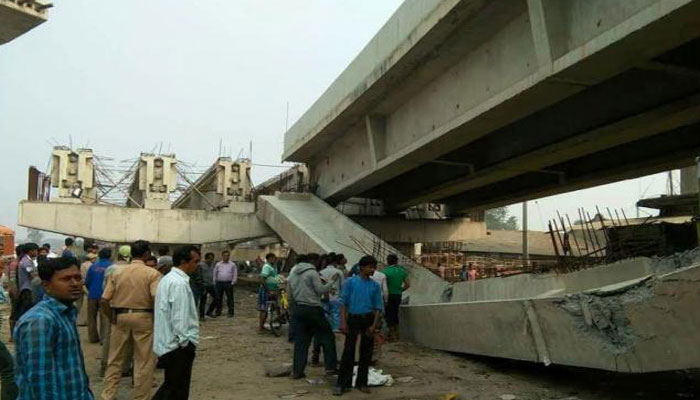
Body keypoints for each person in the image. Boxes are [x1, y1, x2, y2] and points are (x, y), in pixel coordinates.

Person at [14, 256, 93, 399]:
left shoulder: (65, 313)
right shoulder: (41, 321)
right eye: (66, 279)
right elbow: (40, 381)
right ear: (46, 285)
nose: (75, 283)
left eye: (77, 277)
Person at [101, 240, 162, 400]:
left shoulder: (117, 272)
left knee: (115, 359)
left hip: (120, 315)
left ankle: (108, 394)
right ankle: (140, 397)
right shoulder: (152, 273)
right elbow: (156, 297)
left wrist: (111, 317)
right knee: (144, 360)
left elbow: (104, 300)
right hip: (144, 316)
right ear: (146, 254)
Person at [152, 246, 201, 400]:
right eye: (195, 261)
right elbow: (179, 318)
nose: (197, 265)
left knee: (173, 387)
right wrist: (185, 342)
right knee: (175, 389)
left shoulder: (168, 279)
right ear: (183, 262)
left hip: (170, 344)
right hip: (178, 346)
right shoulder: (178, 283)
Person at [333, 255, 384, 396]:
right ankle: (342, 383)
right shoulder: (350, 282)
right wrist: (342, 322)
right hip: (353, 319)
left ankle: (362, 383)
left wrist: (374, 326)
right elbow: (343, 303)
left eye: (374, 267)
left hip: (368, 319)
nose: (372, 270)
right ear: (362, 267)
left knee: (366, 353)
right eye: (370, 267)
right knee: (348, 352)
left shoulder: (375, 286)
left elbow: (378, 307)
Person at [287, 253, 338, 379]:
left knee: (301, 342)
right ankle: (330, 368)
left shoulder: (293, 272)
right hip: (313, 309)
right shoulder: (312, 272)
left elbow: (289, 293)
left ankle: (297, 372)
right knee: (327, 337)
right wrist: (332, 281)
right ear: (313, 261)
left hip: (298, 309)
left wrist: (292, 309)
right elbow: (321, 290)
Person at [100, 245, 133, 377]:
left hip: (110, 305)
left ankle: (105, 367)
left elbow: (105, 289)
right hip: (127, 307)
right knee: (128, 341)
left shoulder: (110, 269)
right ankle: (124, 368)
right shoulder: (131, 269)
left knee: (109, 339)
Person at [85, 248, 112, 343]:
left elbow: (87, 281)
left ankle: (93, 337)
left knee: (91, 317)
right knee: (105, 318)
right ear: (110, 256)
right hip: (105, 296)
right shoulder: (111, 266)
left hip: (92, 294)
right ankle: (103, 338)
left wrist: (90, 290)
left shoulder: (92, 266)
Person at [383, 254, 410, 341]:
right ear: (396, 261)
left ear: (387, 261)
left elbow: (383, 286)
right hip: (398, 295)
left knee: (389, 314)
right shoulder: (402, 271)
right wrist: (400, 290)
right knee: (395, 313)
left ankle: (392, 335)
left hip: (389, 295)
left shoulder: (385, 272)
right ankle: (398, 333)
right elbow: (407, 285)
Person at [16, 242, 39, 322]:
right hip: (27, 289)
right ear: (30, 251)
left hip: (28, 289)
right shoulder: (26, 262)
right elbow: (32, 274)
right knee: (27, 311)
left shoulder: (29, 261)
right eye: (35, 250)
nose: (37, 252)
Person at [257, 253, 280, 331]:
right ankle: (261, 327)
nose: (275, 260)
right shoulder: (266, 267)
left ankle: (262, 326)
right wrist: (268, 290)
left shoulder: (271, 267)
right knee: (264, 309)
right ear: (269, 258)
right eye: (274, 258)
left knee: (267, 309)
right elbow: (262, 279)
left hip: (271, 290)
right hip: (266, 291)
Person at [212, 250, 237, 317]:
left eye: (228, 255)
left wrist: (233, 282)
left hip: (228, 283)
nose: (226, 257)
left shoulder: (232, 264)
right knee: (218, 298)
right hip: (219, 283)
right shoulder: (218, 264)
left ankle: (231, 312)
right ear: (222, 256)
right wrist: (214, 282)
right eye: (225, 255)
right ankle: (218, 311)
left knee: (230, 298)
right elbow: (215, 273)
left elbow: (235, 273)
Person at [77, 252, 96, 327]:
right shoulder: (91, 265)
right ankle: (84, 320)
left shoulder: (82, 264)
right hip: (87, 285)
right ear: (92, 259)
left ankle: (80, 320)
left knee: (80, 304)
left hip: (81, 284)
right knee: (86, 304)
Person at [198, 252, 217, 319]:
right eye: (210, 259)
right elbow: (199, 276)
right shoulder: (201, 265)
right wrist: (201, 284)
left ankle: (209, 312)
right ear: (206, 259)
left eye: (212, 259)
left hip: (211, 285)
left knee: (217, 298)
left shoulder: (212, 265)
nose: (211, 260)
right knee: (203, 301)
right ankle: (201, 316)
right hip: (204, 285)